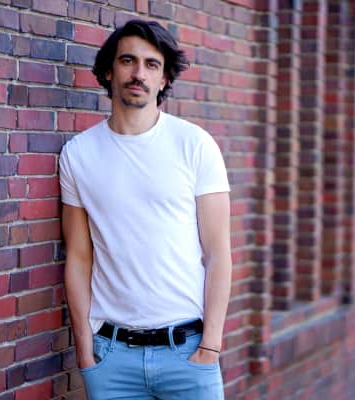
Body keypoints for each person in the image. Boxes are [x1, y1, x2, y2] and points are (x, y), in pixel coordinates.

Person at [59, 19, 231, 400]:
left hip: (188, 354)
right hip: (111, 359)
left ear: (164, 78)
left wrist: (211, 346)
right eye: (128, 61)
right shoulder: (78, 155)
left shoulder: (195, 145)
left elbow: (218, 253)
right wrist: (85, 352)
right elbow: (79, 258)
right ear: (109, 70)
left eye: (152, 64)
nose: (139, 73)